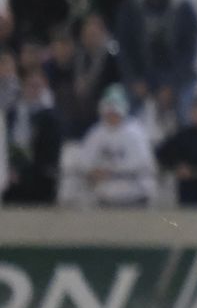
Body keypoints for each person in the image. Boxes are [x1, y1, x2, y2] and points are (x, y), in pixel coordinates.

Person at [116, 0, 197, 126]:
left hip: (176, 76)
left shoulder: (183, 9)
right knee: (123, 112)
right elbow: (124, 48)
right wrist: (135, 80)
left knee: (187, 113)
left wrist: (171, 84)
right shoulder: (131, 8)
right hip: (142, 75)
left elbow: (189, 51)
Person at [76, 85, 156, 208]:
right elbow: (84, 162)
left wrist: (110, 171)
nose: (112, 116)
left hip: (134, 198)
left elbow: (141, 164)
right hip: (105, 200)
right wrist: (93, 172)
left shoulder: (135, 133)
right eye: (109, 112)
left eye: (115, 112)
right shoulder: (96, 133)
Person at [3, 68, 63, 204]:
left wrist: (24, 172)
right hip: (11, 173)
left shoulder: (50, 118)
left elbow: (50, 154)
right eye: (30, 86)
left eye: (38, 86)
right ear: (23, 86)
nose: (34, 90)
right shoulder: (12, 114)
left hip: (38, 175)